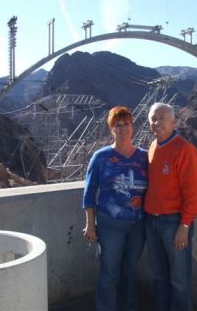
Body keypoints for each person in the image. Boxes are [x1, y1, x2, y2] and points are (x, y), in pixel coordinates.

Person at [82, 106, 148, 311]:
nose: (122, 129)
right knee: (109, 273)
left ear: (132, 127)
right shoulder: (100, 157)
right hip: (110, 224)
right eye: (117, 125)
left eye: (126, 124)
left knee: (130, 270)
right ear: (111, 130)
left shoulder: (144, 157)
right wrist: (90, 224)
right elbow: (89, 191)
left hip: (138, 224)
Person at [145, 102, 197, 311]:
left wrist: (185, 225)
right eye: (153, 118)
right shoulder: (153, 147)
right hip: (151, 221)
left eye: (162, 118)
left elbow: (196, 195)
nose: (157, 122)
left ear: (174, 121)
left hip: (174, 223)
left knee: (179, 280)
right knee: (160, 277)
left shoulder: (184, 150)